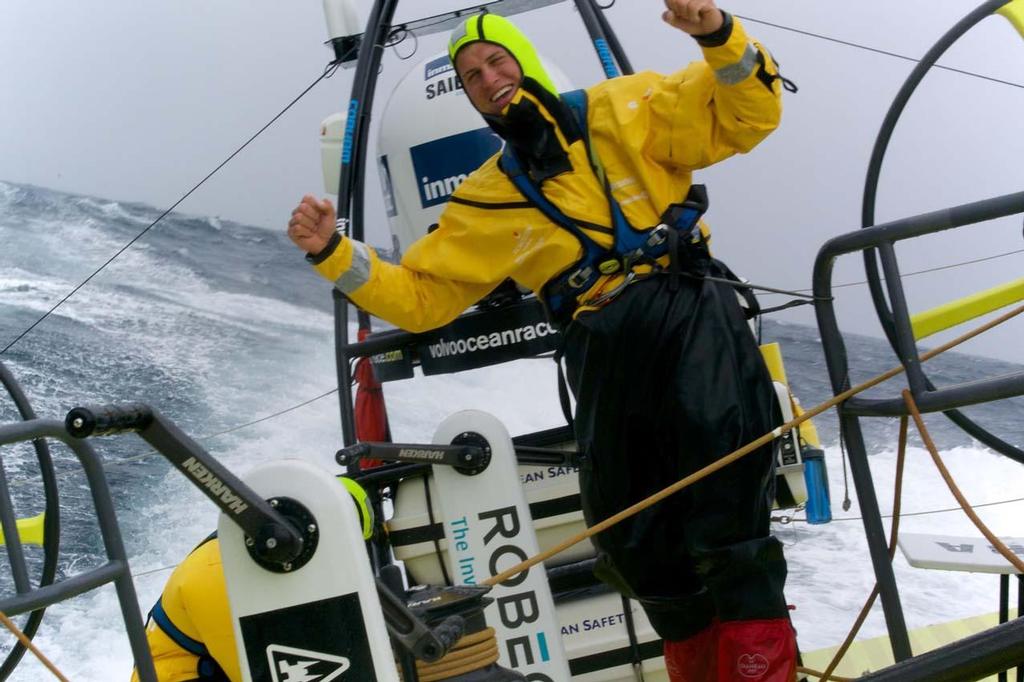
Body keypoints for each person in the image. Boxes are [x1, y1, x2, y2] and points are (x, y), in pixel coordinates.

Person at [288, 1, 796, 679]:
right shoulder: (487, 197)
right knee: (630, 532)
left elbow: (746, 115)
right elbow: (421, 299)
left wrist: (715, 33)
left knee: (726, 511)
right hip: (603, 351)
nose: (489, 77)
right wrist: (333, 253)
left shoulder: (628, 106)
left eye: (497, 61)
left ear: (524, 62)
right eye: (472, 75)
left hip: (691, 319)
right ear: (467, 98)